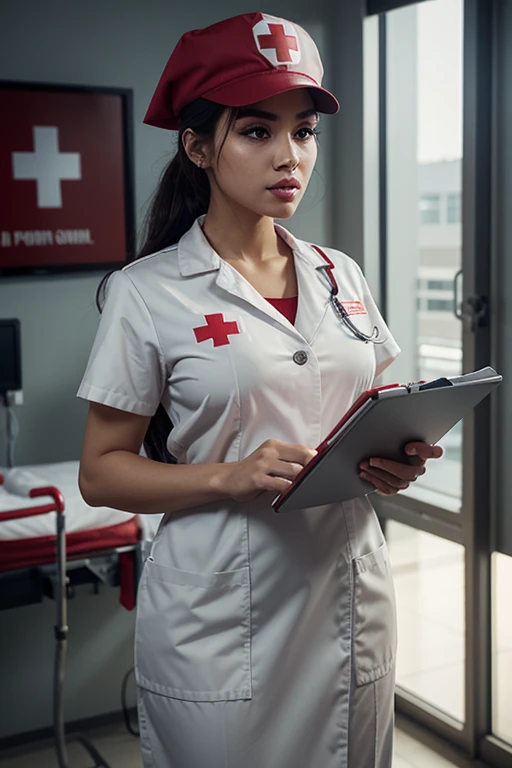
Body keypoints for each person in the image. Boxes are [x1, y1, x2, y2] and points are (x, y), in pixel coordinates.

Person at [77, 12, 442, 768]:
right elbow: (101, 471)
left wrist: (397, 455)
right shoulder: (146, 294)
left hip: (347, 595)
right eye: (256, 131)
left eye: (303, 132)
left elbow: (373, 402)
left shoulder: (340, 273)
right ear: (199, 146)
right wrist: (231, 475)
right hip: (222, 618)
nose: (289, 157)